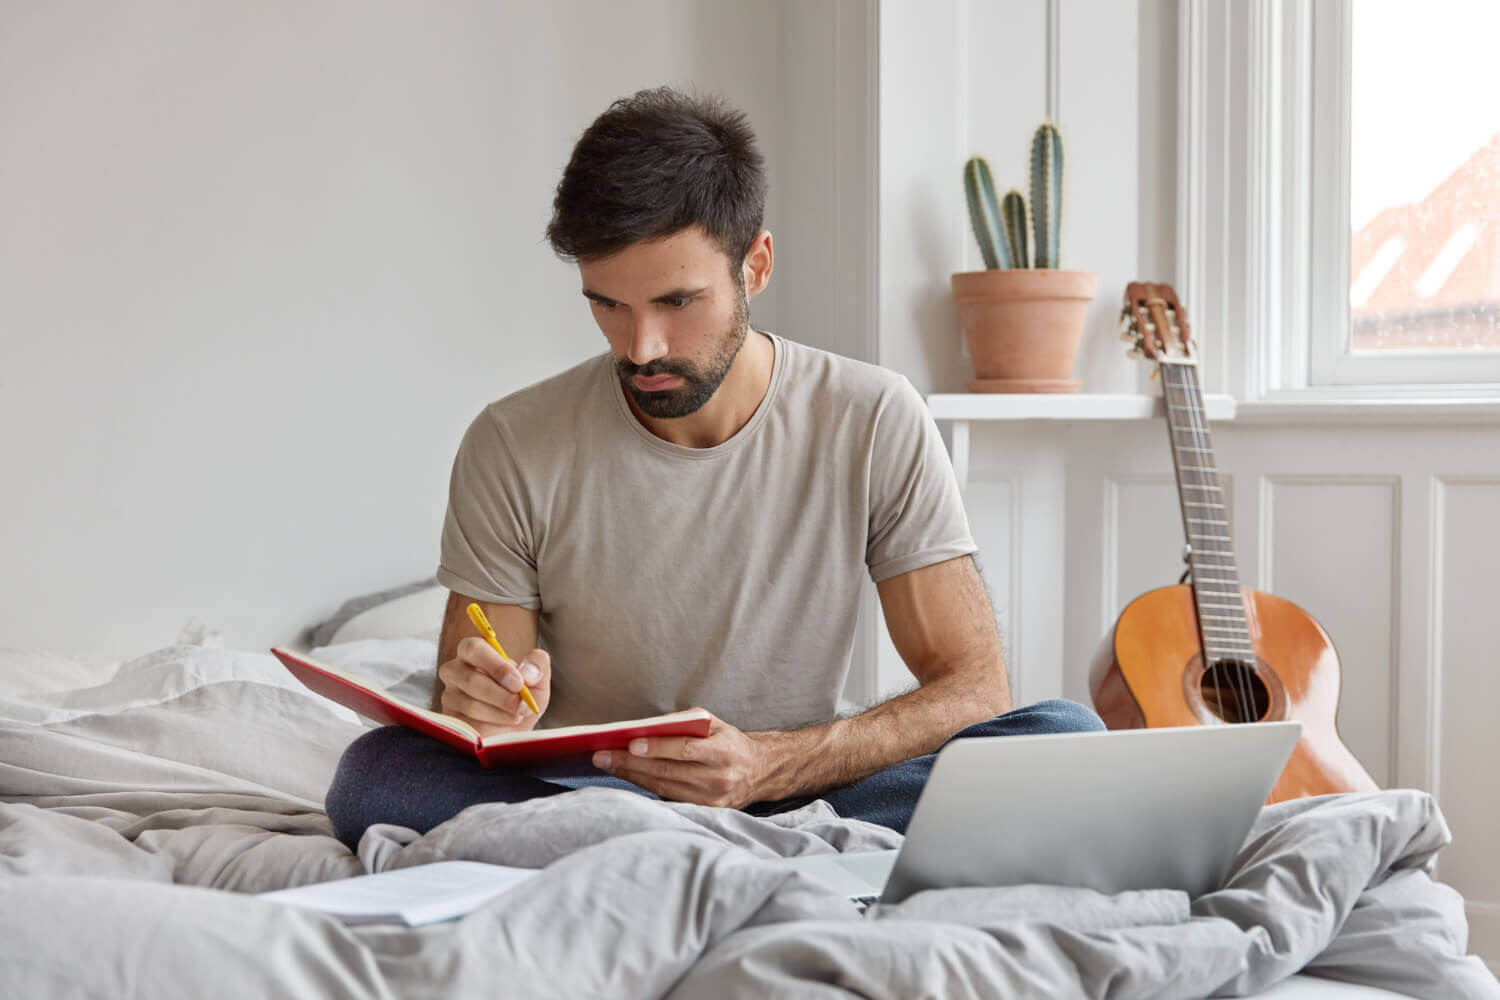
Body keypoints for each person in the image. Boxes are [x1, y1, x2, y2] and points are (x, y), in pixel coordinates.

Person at [325, 86, 1102, 851]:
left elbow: (972, 687)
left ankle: (660, 850)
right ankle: (710, 847)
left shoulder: (872, 417)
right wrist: (483, 705)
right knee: (377, 777)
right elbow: (481, 703)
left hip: (796, 783)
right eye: (609, 306)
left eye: (677, 303)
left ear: (755, 266)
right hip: (589, 787)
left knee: (1065, 738)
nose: (642, 348)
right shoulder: (511, 441)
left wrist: (769, 766)